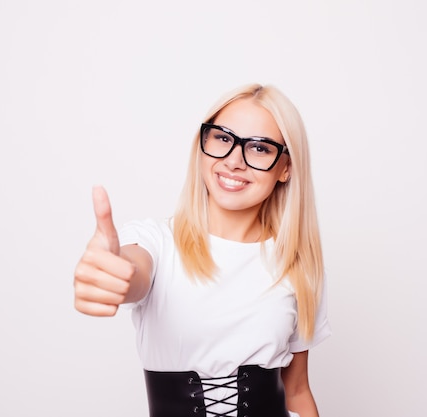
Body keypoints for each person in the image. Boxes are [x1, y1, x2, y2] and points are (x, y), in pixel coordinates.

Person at [73, 83, 332, 417]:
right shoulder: (156, 241)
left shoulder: (299, 266)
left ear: (285, 168)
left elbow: (297, 391)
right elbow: (133, 271)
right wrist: (111, 272)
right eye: (223, 138)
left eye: (260, 148)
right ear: (203, 145)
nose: (234, 161)